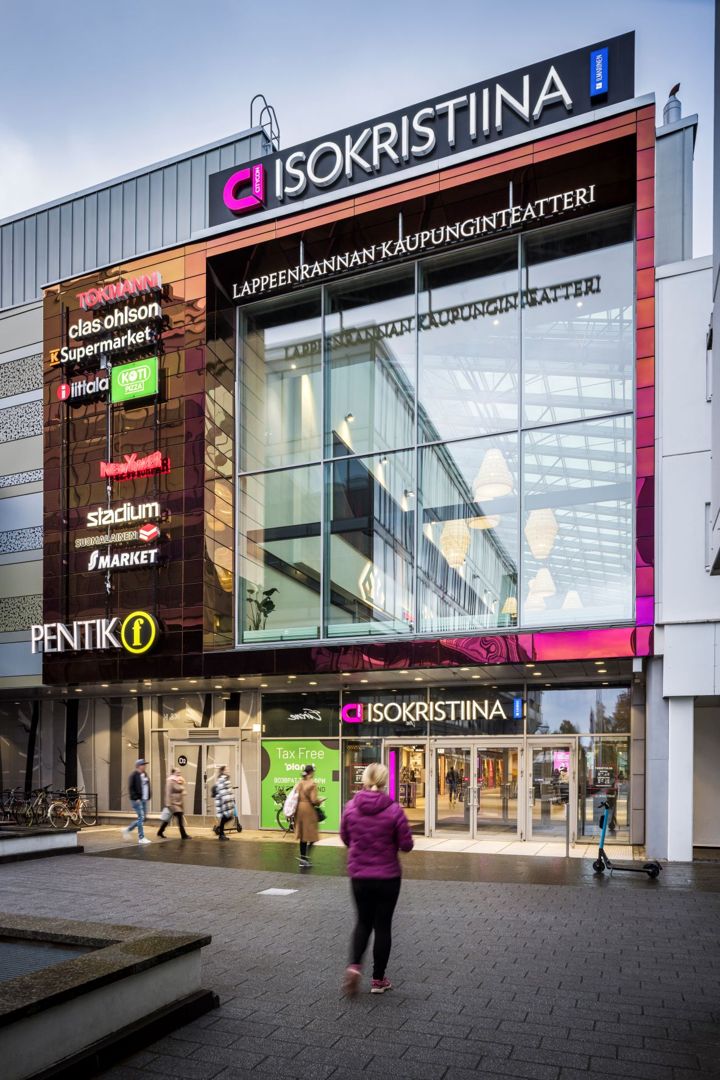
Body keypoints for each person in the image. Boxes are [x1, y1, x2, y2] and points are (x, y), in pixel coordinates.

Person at [340, 762, 414, 996]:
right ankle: (378, 979)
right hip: (388, 877)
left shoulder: (350, 807)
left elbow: (345, 838)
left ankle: (354, 967)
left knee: (363, 922)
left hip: (359, 876)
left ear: (364, 780)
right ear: (384, 783)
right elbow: (406, 845)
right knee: (383, 927)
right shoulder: (394, 810)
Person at [295, 763, 323, 868]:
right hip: (308, 811)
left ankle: (303, 859)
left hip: (299, 810)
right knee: (313, 836)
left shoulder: (300, 783)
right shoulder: (312, 784)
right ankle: (305, 858)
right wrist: (320, 801)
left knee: (303, 836)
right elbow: (314, 800)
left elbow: (296, 795)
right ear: (311, 772)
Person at [122, 758, 152, 845]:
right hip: (137, 800)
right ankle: (141, 838)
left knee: (143, 818)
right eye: (143, 764)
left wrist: (148, 796)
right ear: (139, 766)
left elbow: (146, 786)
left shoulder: (145, 774)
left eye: (145, 764)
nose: (145, 766)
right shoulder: (133, 775)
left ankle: (127, 830)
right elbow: (131, 788)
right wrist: (136, 798)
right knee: (141, 818)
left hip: (144, 799)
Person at [157, 767, 191, 840]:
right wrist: (168, 804)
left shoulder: (178, 780)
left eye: (179, 772)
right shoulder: (170, 781)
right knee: (180, 819)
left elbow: (180, 789)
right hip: (173, 804)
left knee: (167, 819)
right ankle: (183, 835)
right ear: (173, 773)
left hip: (178, 803)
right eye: (177, 772)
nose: (179, 774)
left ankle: (160, 831)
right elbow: (168, 793)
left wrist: (182, 786)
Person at [212, 764, 235, 841]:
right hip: (224, 802)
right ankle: (221, 833)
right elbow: (222, 791)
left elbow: (228, 790)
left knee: (228, 817)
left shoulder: (226, 779)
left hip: (227, 802)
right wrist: (227, 799)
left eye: (228, 769)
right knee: (227, 817)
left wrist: (231, 798)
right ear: (223, 771)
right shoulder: (222, 779)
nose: (228, 770)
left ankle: (221, 832)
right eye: (226, 769)